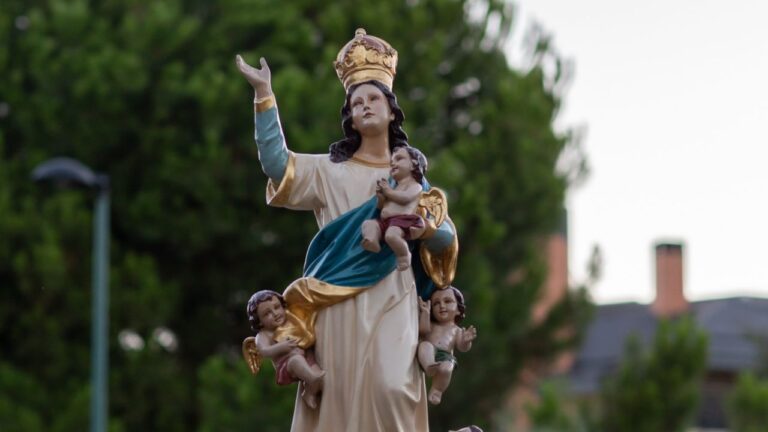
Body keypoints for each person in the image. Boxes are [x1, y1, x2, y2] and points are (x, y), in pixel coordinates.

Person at [235, 29, 458, 431]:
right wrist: (264, 96)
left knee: (393, 387)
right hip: (337, 298)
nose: (365, 106)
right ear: (350, 116)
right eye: (357, 102)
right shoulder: (327, 171)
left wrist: (424, 229)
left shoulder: (410, 176)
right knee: (342, 391)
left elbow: (445, 237)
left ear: (392, 111)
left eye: (374, 98)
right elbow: (276, 165)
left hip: (395, 290)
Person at [245, 290, 325, 409]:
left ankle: (310, 391)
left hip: (306, 356)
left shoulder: (289, 321)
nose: (275, 313)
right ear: (259, 322)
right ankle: (312, 380)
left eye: (277, 307)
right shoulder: (263, 335)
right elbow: (264, 351)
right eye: (267, 314)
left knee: (316, 368)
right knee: (296, 360)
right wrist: (282, 347)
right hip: (286, 366)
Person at [361, 146, 428, 270]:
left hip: (402, 221)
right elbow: (381, 206)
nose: (393, 164)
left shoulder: (415, 186)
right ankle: (372, 242)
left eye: (399, 159)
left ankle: (404, 255)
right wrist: (381, 197)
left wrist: (387, 191)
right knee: (368, 224)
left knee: (391, 235)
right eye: (392, 162)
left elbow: (405, 198)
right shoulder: (395, 188)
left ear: (413, 165)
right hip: (386, 221)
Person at [417, 286, 477, 405]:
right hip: (430, 352)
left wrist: (466, 341)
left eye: (447, 301)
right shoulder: (432, 325)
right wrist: (425, 313)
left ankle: (437, 390)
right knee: (424, 346)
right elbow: (422, 331)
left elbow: (462, 347)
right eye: (436, 303)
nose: (442, 306)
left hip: (445, 355)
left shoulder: (457, 330)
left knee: (446, 368)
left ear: (459, 309)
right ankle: (429, 366)